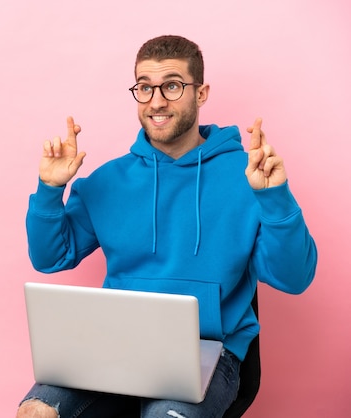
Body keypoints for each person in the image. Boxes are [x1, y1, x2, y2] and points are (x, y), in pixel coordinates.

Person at [17, 35, 318, 418]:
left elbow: (295, 279)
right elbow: (49, 258)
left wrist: (275, 197)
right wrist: (50, 190)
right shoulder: (107, 180)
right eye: (144, 87)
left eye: (172, 85)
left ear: (201, 92)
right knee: (36, 411)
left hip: (206, 349)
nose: (157, 101)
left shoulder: (247, 177)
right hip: (115, 343)